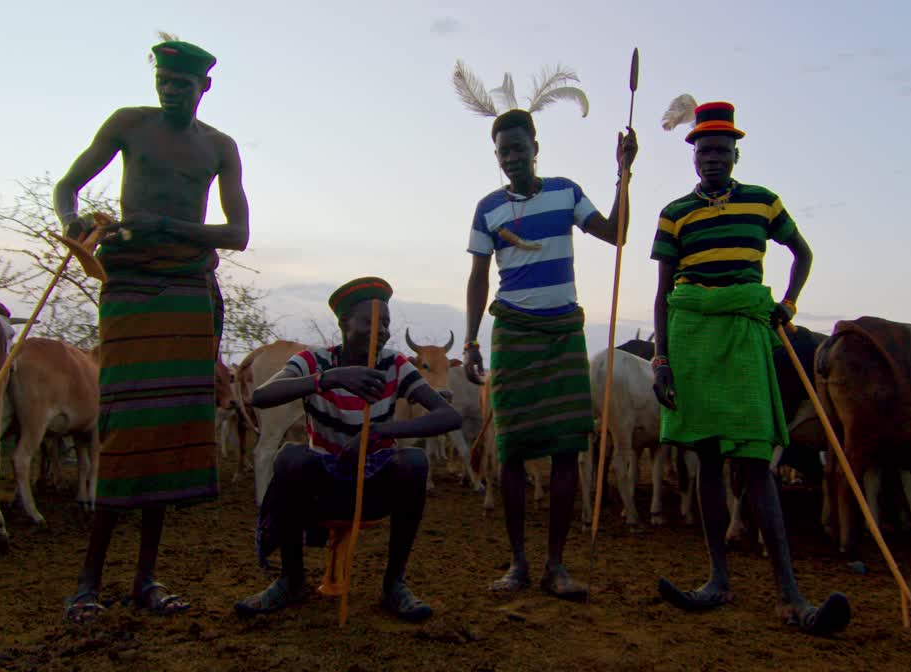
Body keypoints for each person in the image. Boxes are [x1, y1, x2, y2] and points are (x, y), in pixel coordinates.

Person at [55, 37, 249, 622]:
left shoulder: (219, 147)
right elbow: (69, 188)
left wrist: (165, 225)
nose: (169, 92)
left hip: (187, 289)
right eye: (163, 82)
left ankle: (145, 578)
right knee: (123, 427)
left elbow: (237, 234)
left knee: (165, 432)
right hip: (131, 287)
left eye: (181, 85)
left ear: (204, 88)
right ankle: (87, 583)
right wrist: (76, 223)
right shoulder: (127, 126)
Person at [649, 101, 849, 635]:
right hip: (692, 335)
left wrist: (789, 305)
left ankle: (791, 595)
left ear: (736, 153)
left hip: (744, 334)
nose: (712, 158)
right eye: (704, 149)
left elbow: (801, 253)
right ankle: (718, 580)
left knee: (758, 461)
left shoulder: (764, 203)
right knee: (709, 462)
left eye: (721, 149)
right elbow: (664, 293)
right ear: (693, 156)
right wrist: (662, 360)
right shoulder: (674, 213)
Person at [463, 109, 637, 600]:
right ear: (497, 157)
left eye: (520, 147)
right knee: (512, 450)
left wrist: (623, 174)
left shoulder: (566, 192)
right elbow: (478, 278)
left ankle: (555, 566)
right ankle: (518, 563)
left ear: (535, 147)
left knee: (567, 448)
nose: (513, 157)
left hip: (563, 330)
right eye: (504, 151)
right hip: (513, 331)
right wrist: (472, 340)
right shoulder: (488, 209)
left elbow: (616, 233)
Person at [233, 277, 462, 622]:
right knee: (291, 457)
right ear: (343, 324)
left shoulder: (395, 365)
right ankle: (291, 580)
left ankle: (393, 584)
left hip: (373, 485)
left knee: (413, 462)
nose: (380, 331)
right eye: (369, 323)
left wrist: (380, 431)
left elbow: (448, 415)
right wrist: (330, 379)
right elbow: (260, 396)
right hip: (321, 488)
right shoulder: (315, 361)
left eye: (385, 323)